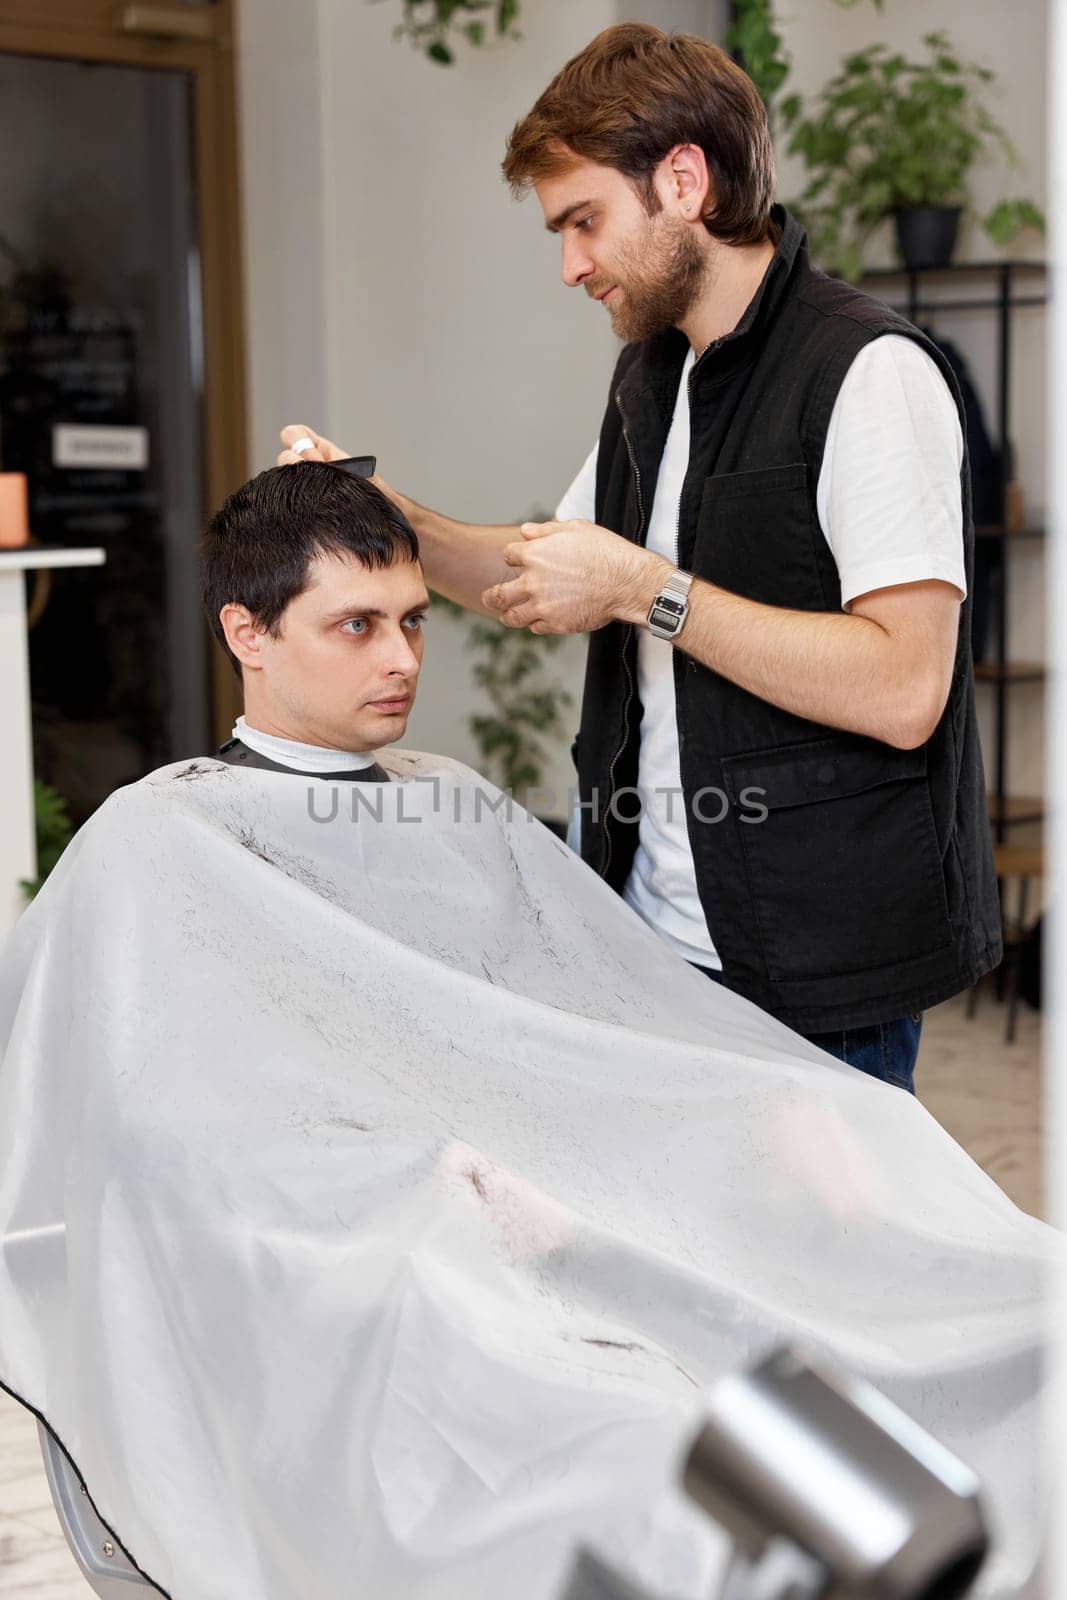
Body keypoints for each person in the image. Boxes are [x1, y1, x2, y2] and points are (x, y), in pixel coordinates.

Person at [277, 23, 1001, 1091]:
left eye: (584, 221)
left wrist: (646, 590)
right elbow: (539, 574)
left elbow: (904, 687)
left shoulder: (869, 372)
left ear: (683, 180)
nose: (570, 266)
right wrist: (391, 519)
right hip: (648, 946)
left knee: (798, 1263)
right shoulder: (651, 380)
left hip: (817, 979)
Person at [202, 462, 428, 781]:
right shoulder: (165, 822)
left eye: (413, 620)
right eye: (357, 625)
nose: (407, 663)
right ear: (248, 635)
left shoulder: (462, 795)